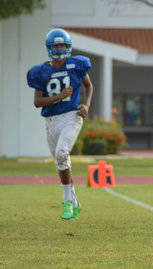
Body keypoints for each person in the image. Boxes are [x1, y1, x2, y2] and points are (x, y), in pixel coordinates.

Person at [27, 28, 93, 220]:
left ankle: (65, 201)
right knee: (61, 162)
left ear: (68, 46)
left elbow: (89, 85)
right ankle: (75, 203)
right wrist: (59, 97)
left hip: (72, 116)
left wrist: (86, 106)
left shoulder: (77, 64)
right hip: (51, 121)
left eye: (62, 45)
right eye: (56, 45)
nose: (59, 48)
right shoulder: (41, 71)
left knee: (61, 153)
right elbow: (37, 102)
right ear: (49, 48)